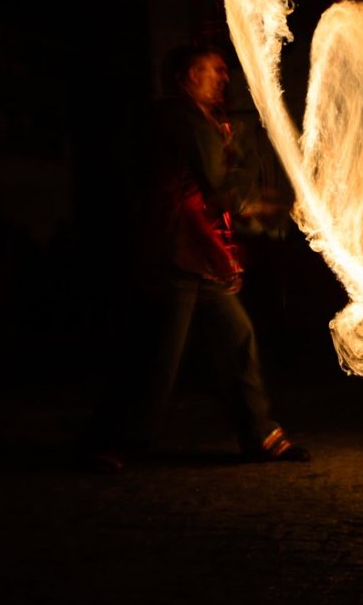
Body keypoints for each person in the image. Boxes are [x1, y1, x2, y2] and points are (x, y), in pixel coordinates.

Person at [77, 44, 310, 471]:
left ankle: (261, 433)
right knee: (157, 353)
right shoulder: (186, 120)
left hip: (192, 255)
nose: (224, 77)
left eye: (224, 71)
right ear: (187, 76)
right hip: (178, 253)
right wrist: (244, 164)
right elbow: (219, 191)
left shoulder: (189, 119)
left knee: (236, 337)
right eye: (213, 70)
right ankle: (114, 440)